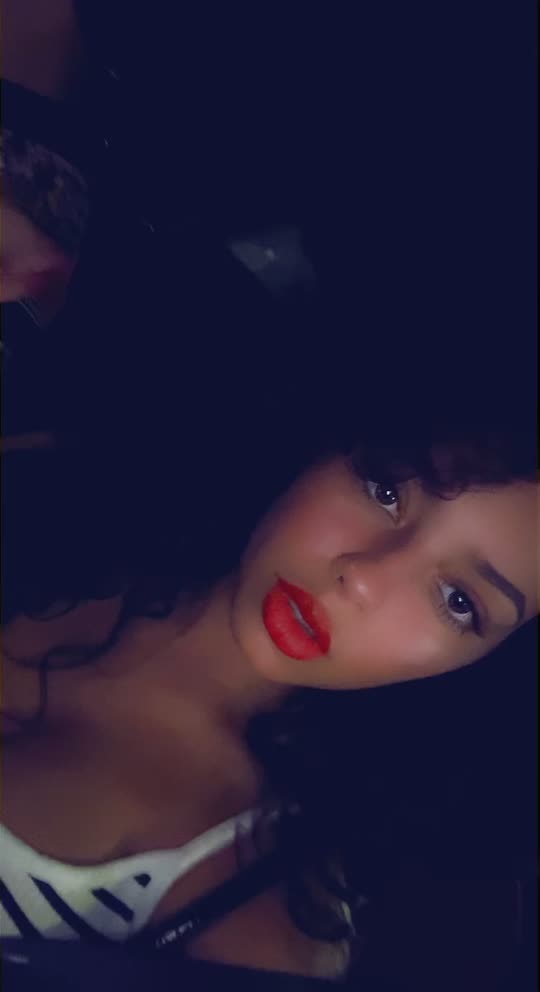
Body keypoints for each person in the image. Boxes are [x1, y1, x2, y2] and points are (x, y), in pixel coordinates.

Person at [1, 292, 538, 982]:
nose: (363, 578)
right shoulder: (58, 484)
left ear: (483, 667)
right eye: (385, 490)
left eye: (459, 602)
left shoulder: (255, 899)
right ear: (328, 443)